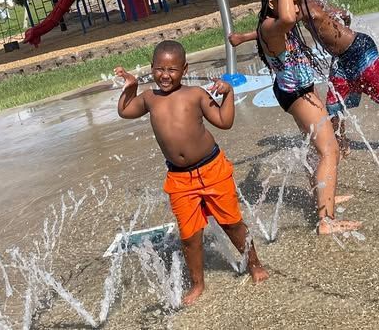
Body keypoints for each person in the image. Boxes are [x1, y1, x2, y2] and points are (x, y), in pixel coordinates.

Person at [115, 40, 269, 306]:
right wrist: (130, 89)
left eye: (172, 69)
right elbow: (125, 111)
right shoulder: (150, 98)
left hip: (212, 170)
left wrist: (228, 93)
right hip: (180, 179)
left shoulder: (196, 94)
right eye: (159, 69)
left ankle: (254, 263)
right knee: (189, 236)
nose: (165, 75)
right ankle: (198, 283)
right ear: (152, 68)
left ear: (184, 69)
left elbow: (224, 121)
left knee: (232, 223)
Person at [231, 0, 361, 234]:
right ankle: (326, 221)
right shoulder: (273, 26)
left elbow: (291, 9)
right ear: (271, 4)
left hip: (297, 89)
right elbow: (290, 15)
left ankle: (323, 197)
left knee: (315, 148)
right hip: (297, 94)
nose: (294, 6)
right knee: (329, 150)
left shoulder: (273, 20)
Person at [285, 0, 379, 157]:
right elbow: (344, 14)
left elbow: (280, 23)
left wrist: (244, 37)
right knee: (334, 105)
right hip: (342, 58)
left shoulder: (304, 8)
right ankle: (340, 141)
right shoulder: (313, 1)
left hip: (358, 51)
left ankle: (341, 140)